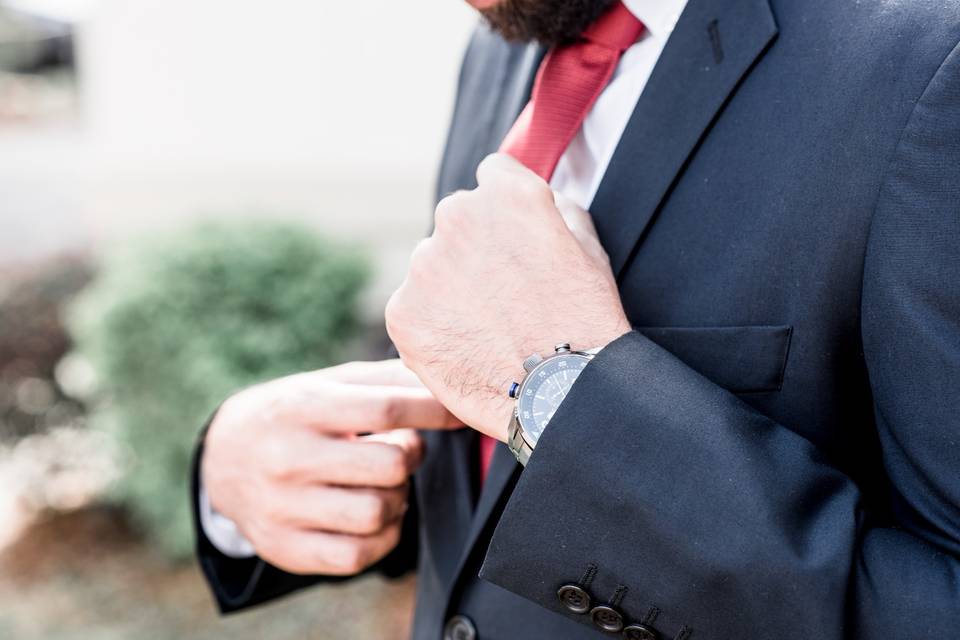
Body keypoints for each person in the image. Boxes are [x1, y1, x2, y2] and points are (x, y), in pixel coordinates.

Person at [192, 0, 960, 637]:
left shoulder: (931, 62)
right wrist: (247, 469)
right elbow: (493, 473)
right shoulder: (504, 39)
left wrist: (560, 396)